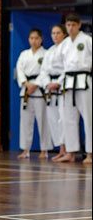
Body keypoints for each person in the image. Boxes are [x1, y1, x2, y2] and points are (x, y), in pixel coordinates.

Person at [54, 13, 92, 164]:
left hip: (84, 81)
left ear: (79, 25)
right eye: (68, 25)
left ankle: (90, 153)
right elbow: (59, 64)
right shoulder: (64, 44)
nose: (70, 28)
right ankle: (71, 152)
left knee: (88, 119)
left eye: (73, 25)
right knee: (68, 119)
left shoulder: (88, 40)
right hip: (68, 83)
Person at [15, 28, 52, 159]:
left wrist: (36, 84)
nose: (34, 41)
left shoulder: (47, 54)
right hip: (26, 90)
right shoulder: (23, 54)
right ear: (28, 39)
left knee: (43, 121)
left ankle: (44, 150)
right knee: (25, 122)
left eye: (36, 38)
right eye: (31, 38)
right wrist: (26, 83)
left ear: (41, 39)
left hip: (40, 91)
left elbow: (46, 71)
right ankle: (25, 149)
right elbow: (19, 71)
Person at [36, 24, 68, 161]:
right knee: (53, 120)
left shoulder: (68, 48)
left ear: (64, 34)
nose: (55, 36)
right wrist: (47, 83)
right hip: (50, 88)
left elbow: (69, 68)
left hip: (63, 86)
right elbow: (43, 71)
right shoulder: (49, 51)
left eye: (58, 33)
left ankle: (67, 149)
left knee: (64, 119)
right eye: (53, 33)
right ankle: (61, 148)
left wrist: (58, 83)